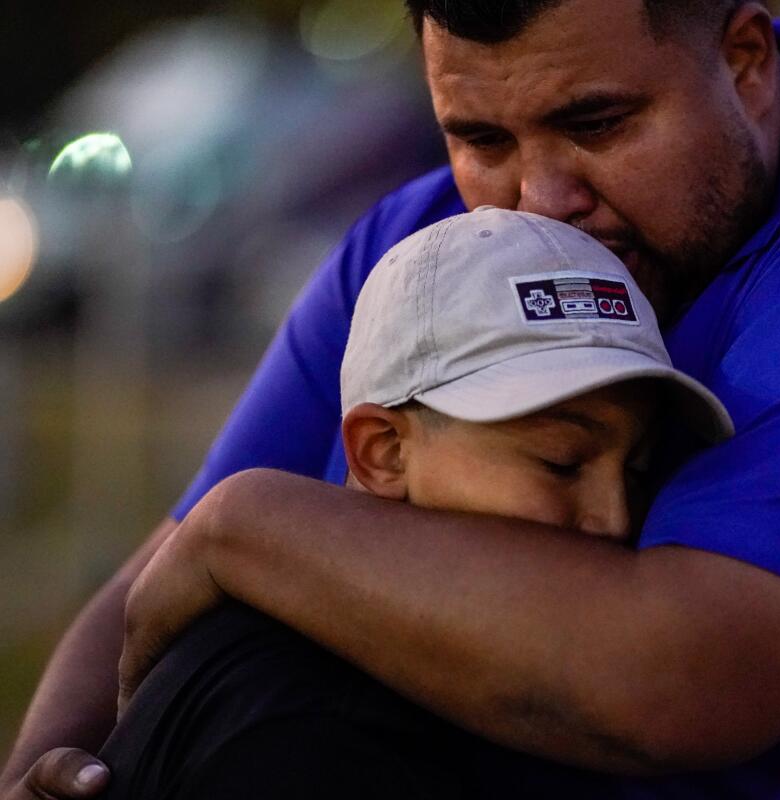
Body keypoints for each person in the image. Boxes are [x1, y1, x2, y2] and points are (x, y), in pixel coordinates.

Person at [2, 1, 780, 798]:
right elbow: (152, 589)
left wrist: (246, 526)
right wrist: (51, 762)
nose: (542, 198)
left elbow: (673, 684)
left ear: (747, 59)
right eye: (478, 134)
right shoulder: (420, 239)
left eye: (597, 123)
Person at [95, 207, 733, 799]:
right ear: (383, 452)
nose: (615, 519)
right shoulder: (313, 735)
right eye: (561, 462)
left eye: (640, 471)